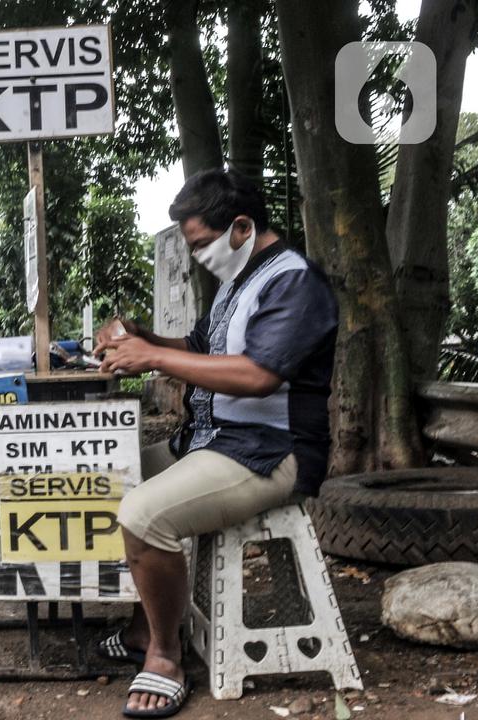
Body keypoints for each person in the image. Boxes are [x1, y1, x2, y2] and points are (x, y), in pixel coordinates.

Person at [92, 169, 339, 718]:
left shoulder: (293, 282)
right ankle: (144, 626)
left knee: (142, 512)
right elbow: (200, 346)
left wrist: (152, 359)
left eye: (202, 244)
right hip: (214, 440)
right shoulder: (240, 282)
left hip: (271, 452)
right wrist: (140, 336)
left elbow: (257, 376)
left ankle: (164, 656)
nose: (199, 255)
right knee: (111, 479)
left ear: (243, 226)